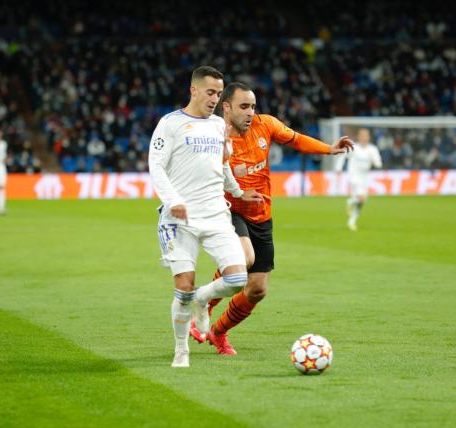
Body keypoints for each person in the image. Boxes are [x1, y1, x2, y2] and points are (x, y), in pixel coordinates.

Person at [189, 82, 353, 355]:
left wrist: (328, 149)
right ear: (226, 107)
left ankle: (219, 332)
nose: (250, 112)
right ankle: (205, 302)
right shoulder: (211, 135)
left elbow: (297, 139)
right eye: (244, 106)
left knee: (257, 289)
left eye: (253, 106)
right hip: (228, 209)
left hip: (261, 213)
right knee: (244, 259)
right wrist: (232, 172)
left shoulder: (267, 125)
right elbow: (197, 172)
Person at [149, 67, 263, 368]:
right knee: (183, 286)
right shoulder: (170, 124)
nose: (215, 98)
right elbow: (156, 167)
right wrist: (172, 200)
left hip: (215, 215)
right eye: (210, 92)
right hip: (179, 220)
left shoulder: (217, 126)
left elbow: (222, 165)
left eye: (218, 93)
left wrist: (237, 192)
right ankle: (181, 351)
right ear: (194, 91)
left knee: (238, 277)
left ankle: (203, 299)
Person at [344, 128, 382, 231]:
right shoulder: (353, 148)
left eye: (366, 136)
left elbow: (378, 162)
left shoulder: (372, 149)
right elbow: (343, 157)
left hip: (365, 177)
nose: (364, 138)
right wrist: (338, 168)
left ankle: (351, 222)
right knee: (361, 198)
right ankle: (350, 202)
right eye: (362, 136)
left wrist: (375, 162)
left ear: (369, 137)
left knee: (361, 203)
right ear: (359, 137)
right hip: (354, 176)